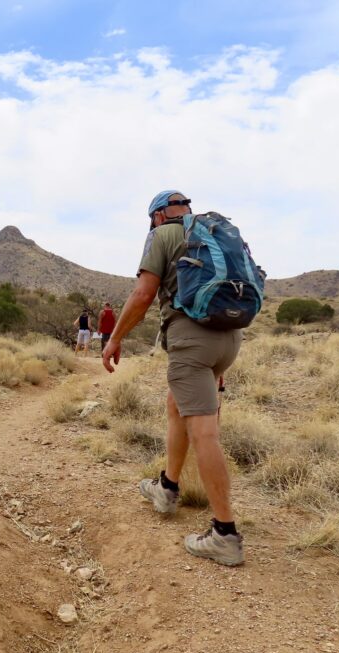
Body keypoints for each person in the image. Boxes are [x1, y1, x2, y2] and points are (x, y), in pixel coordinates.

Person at [102, 190, 245, 566]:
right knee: (176, 403)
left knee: (204, 430)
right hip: (230, 338)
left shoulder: (163, 234)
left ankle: (224, 534)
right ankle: (167, 487)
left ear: (157, 215)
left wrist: (115, 338)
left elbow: (144, 292)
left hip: (191, 340)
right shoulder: (215, 229)